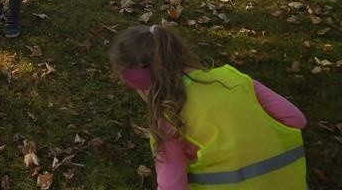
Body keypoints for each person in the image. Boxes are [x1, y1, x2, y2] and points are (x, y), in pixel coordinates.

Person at [109, 24, 307, 189]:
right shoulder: (234, 79)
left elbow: (172, 186)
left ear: (143, 87)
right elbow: (296, 120)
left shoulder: (169, 118)